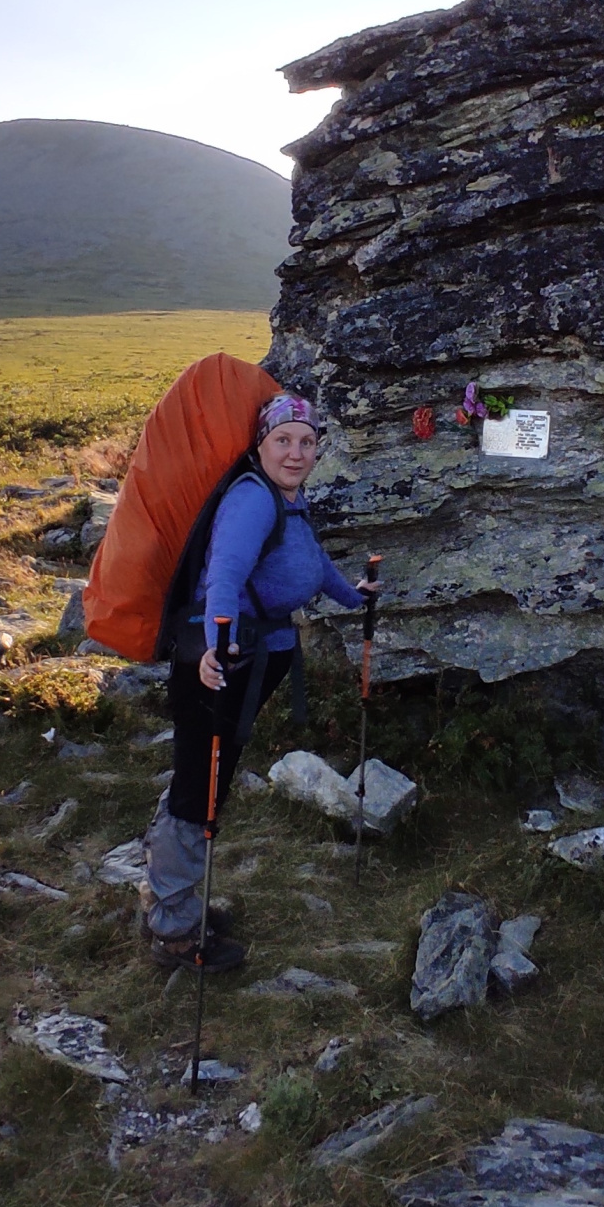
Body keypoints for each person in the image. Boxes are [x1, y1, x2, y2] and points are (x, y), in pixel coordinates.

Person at [141, 391, 375, 971]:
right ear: (261, 444)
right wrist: (217, 648)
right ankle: (172, 928)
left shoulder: (286, 499)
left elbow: (311, 563)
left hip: (250, 663)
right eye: (283, 440)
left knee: (206, 781)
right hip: (222, 665)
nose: (295, 452)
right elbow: (223, 575)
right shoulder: (252, 500)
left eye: (306, 441)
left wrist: (354, 595)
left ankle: (176, 899)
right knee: (201, 787)